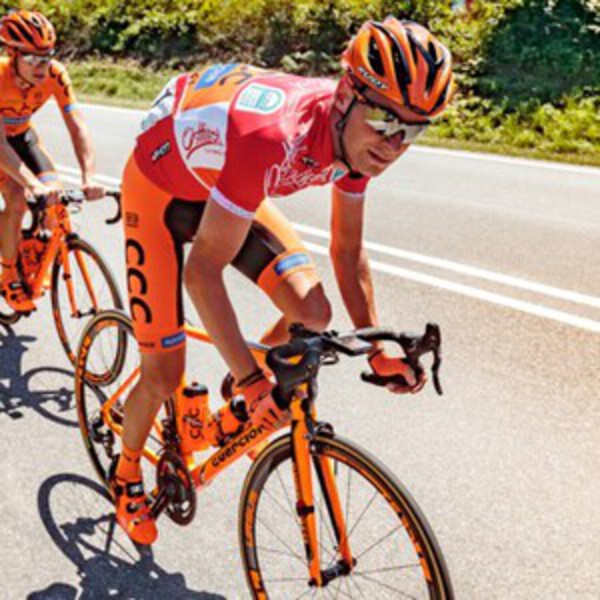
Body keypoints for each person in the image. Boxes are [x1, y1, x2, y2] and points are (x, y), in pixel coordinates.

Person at [115, 16, 453, 544]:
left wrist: (377, 349)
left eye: (413, 130)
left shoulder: (358, 143)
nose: (394, 144)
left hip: (225, 180)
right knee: (162, 373)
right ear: (346, 94)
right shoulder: (273, 138)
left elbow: (347, 252)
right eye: (386, 120)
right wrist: (254, 384)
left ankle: (238, 382)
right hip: (160, 190)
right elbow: (201, 273)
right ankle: (126, 474)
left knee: (313, 314)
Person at [0, 9, 104, 312]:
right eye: (32, 58)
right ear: (12, 55)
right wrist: (31, 184)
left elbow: (77, 125)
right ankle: (8, 274)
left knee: (54, 198)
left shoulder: (55, 74)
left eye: (46, 57)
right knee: (17, 197)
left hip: (23, 136)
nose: (41, 66)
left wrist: (89, 176)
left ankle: (36, 255)